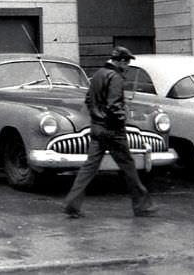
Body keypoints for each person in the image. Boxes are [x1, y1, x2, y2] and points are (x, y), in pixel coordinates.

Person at [63, 46, 158, 218]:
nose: (128, 66)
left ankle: (72, 204)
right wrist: (123, 117)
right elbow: (114, 105)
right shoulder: (115, 78)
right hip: (113, 131)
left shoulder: (98, 74)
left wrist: (96, 117)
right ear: (120, 61)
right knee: (129, 167)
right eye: (127, 62)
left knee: (89, 168)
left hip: (97, 128)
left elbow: (89, 99)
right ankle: (142, 206)